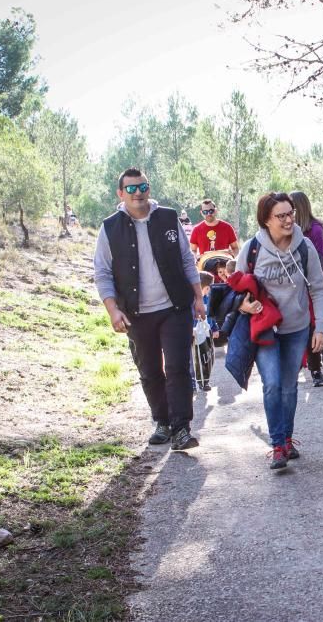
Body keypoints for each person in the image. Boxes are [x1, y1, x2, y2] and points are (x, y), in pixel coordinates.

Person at [93, 168, 204, 451]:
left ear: (149, 189)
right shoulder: (110, 227)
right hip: (136, 313)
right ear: (120, 194)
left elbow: (186, 259)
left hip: (174, 307)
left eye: (142, 187)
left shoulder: (167, 217)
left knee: (178, 367)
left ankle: (181, 428)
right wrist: (112, 310)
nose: (138, 193)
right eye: (131, 189)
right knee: (150, 370)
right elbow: (103, 273)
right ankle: (162, 422)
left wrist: (198, 298)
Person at [235, 192, 323, 470]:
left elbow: (319, 288)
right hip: (264, 329)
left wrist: (320, 327)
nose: (288, 220)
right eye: (281, 216)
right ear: (266, 220)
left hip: (296, 328)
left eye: (290, 214)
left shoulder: (305, 247)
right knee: (272, 383)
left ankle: (287, 439)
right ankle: (277, 445)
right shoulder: (252, 248)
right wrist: (244, 306)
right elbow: (237, 287)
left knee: (289, 387)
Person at [289, 190, 323, 388]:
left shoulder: (315, 231)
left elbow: (318, 260)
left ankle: (315, 369)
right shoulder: (287, 231)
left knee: (311, 326)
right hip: (290, 287)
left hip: (309, 285)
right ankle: (293, 368)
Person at [194, 271, 219, 391]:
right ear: (207, 287)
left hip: (206, 331)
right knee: (196, 358)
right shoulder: (193, 300)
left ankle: (205, 381)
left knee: (208, 356)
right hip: (195, 333)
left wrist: (214, 328)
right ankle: (197, 381)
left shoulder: (208, 299)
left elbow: (211, 315)